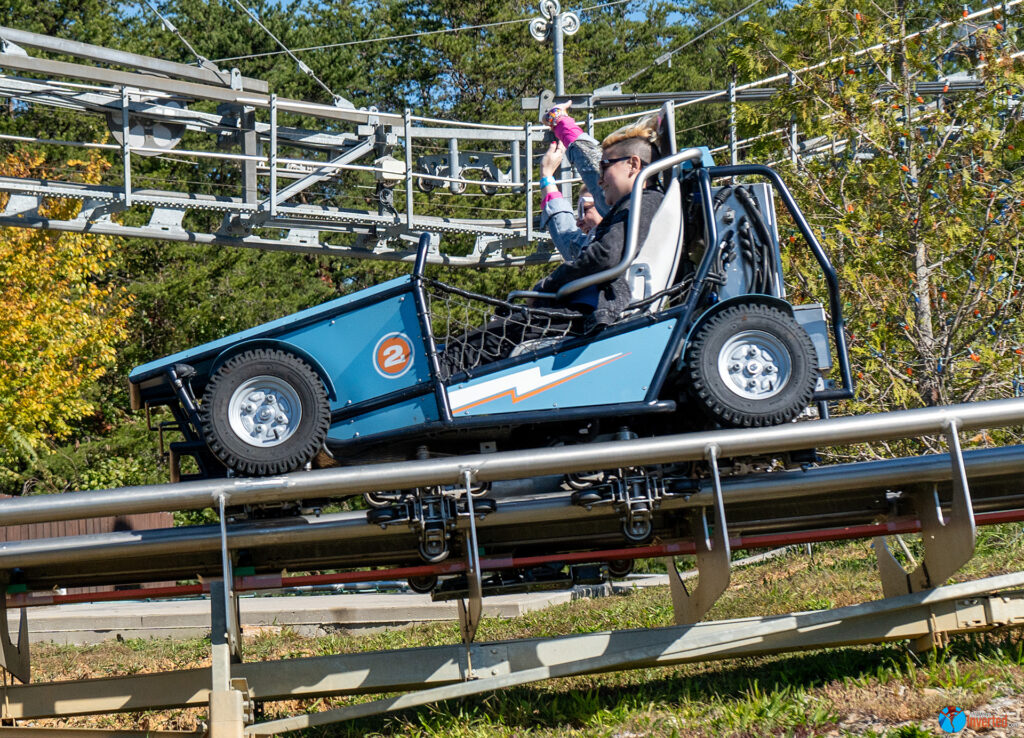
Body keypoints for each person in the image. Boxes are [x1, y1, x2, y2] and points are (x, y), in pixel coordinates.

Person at [438, 103, 663, 378]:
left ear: (633, 165)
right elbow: (570, 236)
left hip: (583, 314)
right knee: (482, 339)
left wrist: (549, 285)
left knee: (468, 350)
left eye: (605, 166)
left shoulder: (640, 205)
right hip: (579, 309)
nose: (600, 179)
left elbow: (604, 255)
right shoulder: (636, 207)